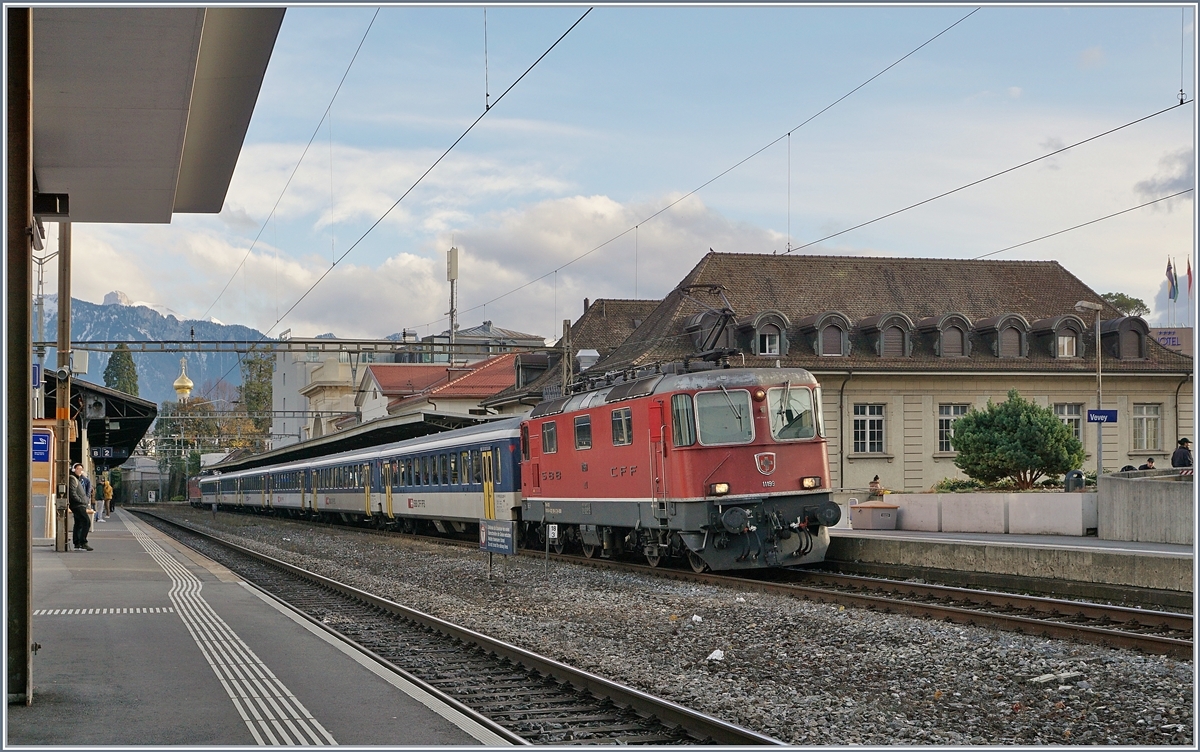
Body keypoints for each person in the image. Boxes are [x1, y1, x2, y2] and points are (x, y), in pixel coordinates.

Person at [68, 464, 92, 551]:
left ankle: (77, 543)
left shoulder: (78, 479)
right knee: (86, 522)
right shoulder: (72, 478)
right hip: (77, 505)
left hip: (79, 504)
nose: (80, 471)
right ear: (74, 469)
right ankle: (83, 542)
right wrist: (81, 500)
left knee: (78, 523)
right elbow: (73, 492)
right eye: (78, 469)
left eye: (81, 469)